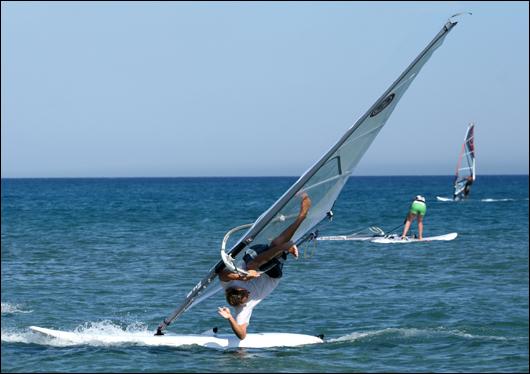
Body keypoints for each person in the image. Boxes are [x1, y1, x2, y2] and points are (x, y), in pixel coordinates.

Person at [217, 193, 312, 339]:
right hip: (271, 273)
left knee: (266, 251)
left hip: (254, 256)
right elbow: (242, 335)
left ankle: (299, 221)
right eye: (247, 298)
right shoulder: (242, 309)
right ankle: (288, 241)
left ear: (237, 289)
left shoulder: (229, 285)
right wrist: (229, 317)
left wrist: (242, 277)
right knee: (259, 259)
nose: (249, 295)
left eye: (245, 294)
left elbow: (221, 273)